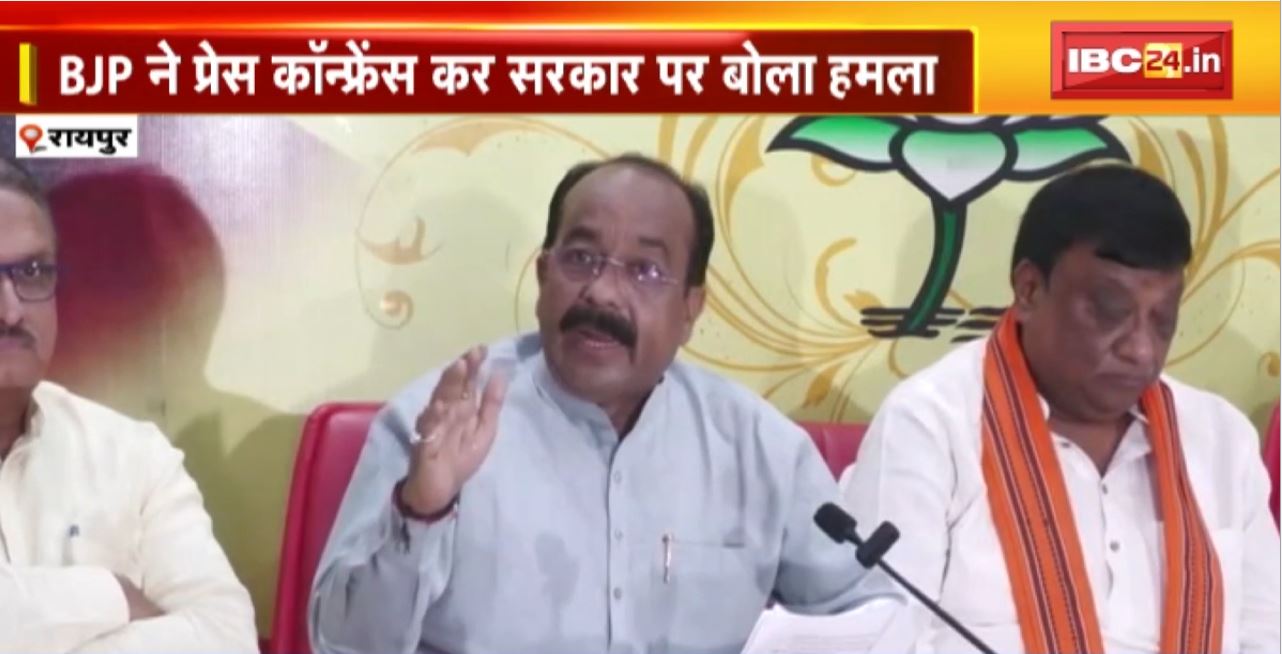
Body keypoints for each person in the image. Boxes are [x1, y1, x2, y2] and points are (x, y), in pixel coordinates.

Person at [310, 154, 899, 654]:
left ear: (691, 308)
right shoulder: (436, 427)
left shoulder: (759, 449)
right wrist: (422, 511)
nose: (602, 292)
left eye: (645, 270)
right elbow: (339, 644)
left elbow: (872, 620)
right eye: (581, 258)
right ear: (544, 276)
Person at [839, 163, 1280, 654]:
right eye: (1110, 312)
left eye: (1163, 320)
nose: (1141, 350)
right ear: (1029, 290)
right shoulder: (929, 425)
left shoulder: (1222, 439)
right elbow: (876, 639)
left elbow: (1267, 636)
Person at [0, 158, 258, 653]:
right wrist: (111, 594)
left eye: (32, 272)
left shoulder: (133, 454)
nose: (11, 310)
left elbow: (227, 636)